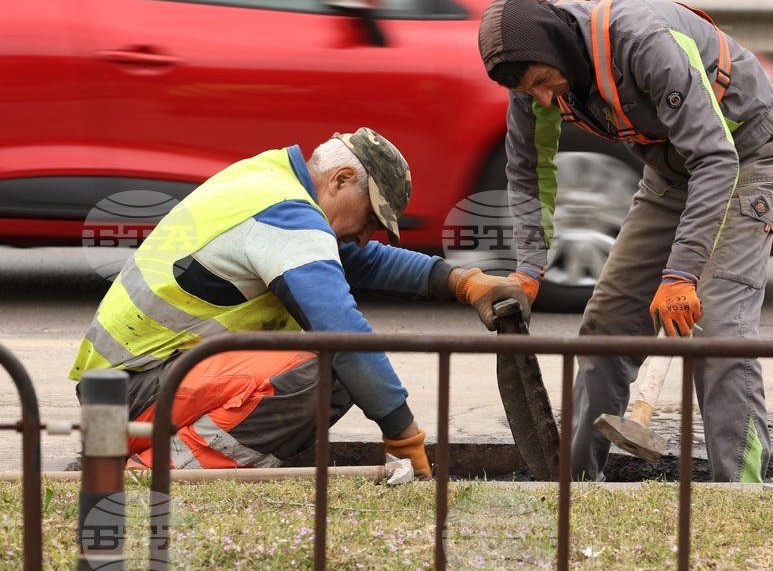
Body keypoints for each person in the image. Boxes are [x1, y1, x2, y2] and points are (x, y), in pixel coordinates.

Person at [69, 128, 529, 476]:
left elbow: (359, 261)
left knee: (322, 367)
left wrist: (464, 282)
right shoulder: (288, 220)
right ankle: (158, 473)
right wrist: (404, 436)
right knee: (327, 371)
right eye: (369, 217)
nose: (366, 236)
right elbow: (343, 333)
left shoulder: (268, 181)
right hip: (127, 401)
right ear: (341, 180)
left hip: (117, 394)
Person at [478, 0, 773, 482]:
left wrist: (681, 273)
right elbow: (526, 170)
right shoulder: (531, 76)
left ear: (558, 47)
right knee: (606, 324)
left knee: (719, 331)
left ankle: (740, 494)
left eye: (542, 82)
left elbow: (716, 158)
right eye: (527, 91)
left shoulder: (641, 41)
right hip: (671, 171)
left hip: (742, 155)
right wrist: (528, 268)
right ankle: (576, 485)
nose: (542, 98)